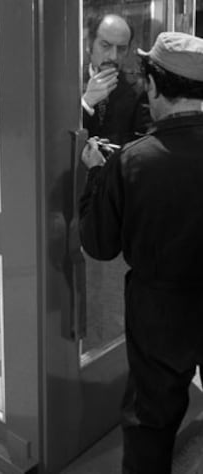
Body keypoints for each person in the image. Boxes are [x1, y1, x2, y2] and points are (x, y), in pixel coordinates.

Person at [79, 31, 203, 474]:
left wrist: (96, 177)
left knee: (151, 419)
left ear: (152, 85)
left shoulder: (133, 161)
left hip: (160, 309)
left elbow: (98, 243)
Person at [82, 13, 150, 145]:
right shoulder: (69, 83)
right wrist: (86, 103)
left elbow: (143, 143)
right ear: (89, 45)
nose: (113, 56)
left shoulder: (139, 89)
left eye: (121, 49)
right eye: (105, 46)